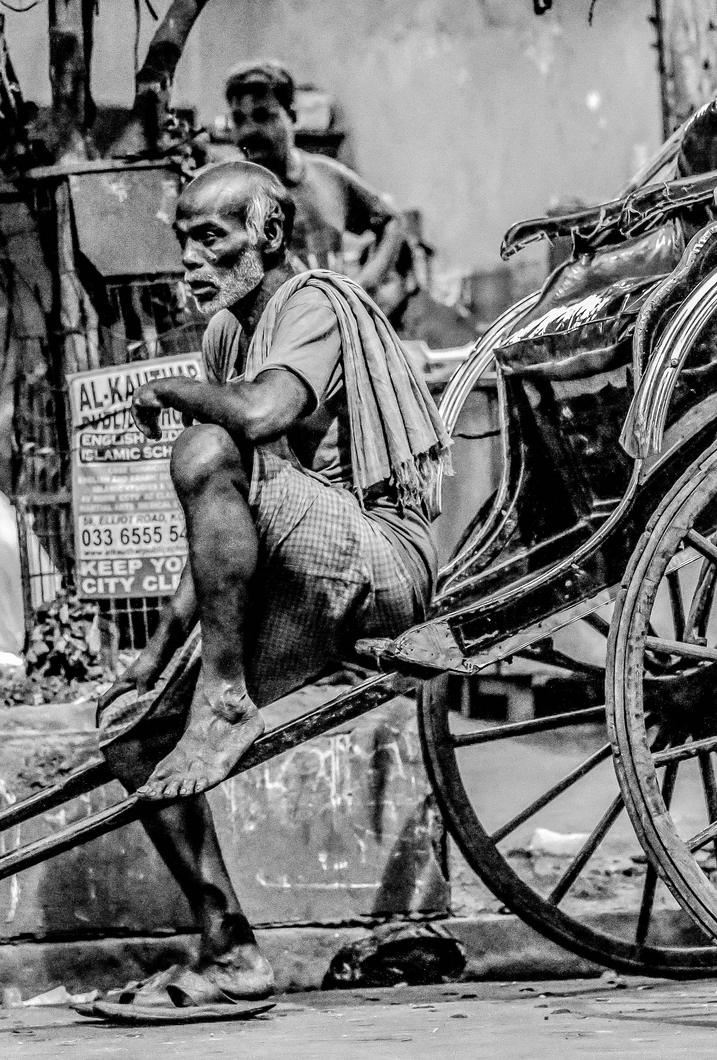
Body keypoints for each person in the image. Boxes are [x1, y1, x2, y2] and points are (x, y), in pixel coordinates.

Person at [91, 161, 448, 1006]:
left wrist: (171, 390)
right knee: (133, 733)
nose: (191, 260)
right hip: (306, 565)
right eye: (185, 242)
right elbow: (230, 532)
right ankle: (230, 948)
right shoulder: (227, 337)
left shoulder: (314, 303)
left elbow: (258, 420)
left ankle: (224, 696)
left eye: (211, 238)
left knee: (208, 445)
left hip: (381, 557)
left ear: (271, 235)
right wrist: (158, 653)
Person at [223, 60, 407, 299]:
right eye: (239, 119)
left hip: (333, 329)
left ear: (292, 116)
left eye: (262, 116)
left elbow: (392, 221)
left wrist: (364, 285)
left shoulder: (327, 176)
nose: (249, 131)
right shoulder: (227, 195)